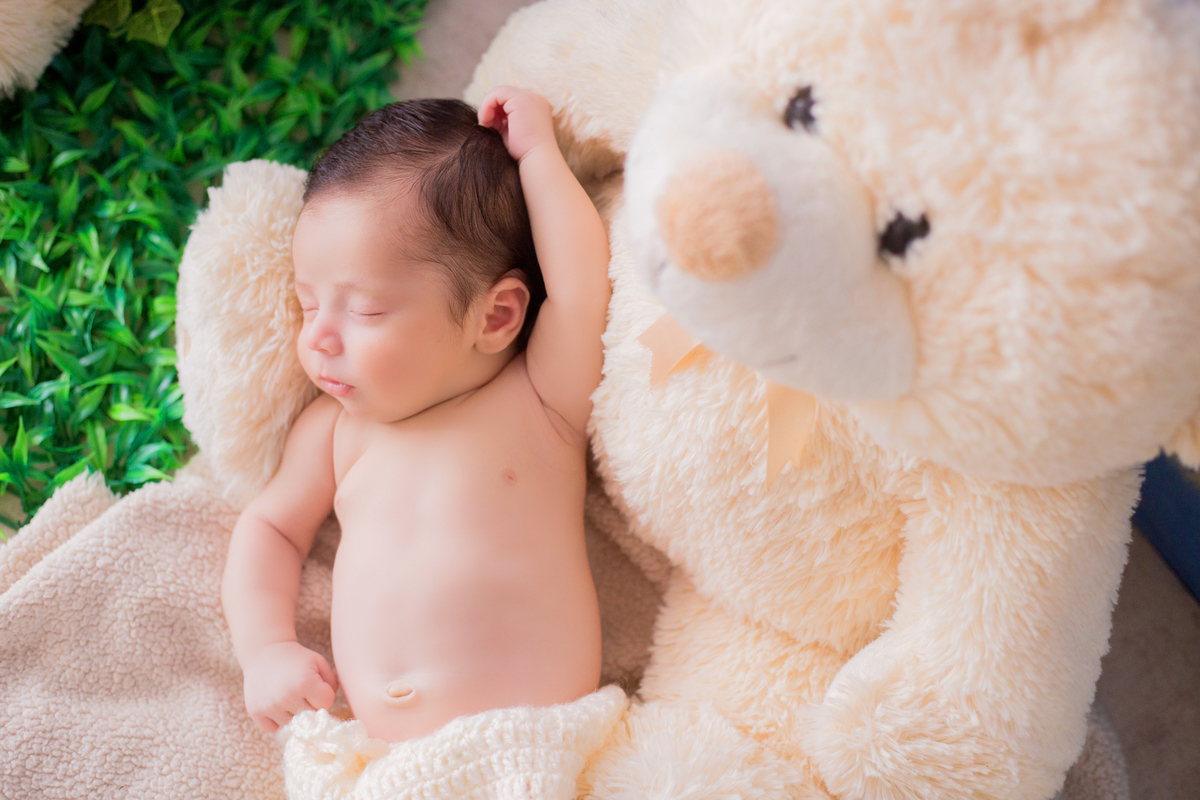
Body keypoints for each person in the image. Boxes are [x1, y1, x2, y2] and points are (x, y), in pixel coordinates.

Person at [220, 87, 609, 743]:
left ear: (495, 316)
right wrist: (265, 651)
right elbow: (269, 530)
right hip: (383, 763)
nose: (318, 336)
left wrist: (539, 154)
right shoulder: (336, 431)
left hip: (540, 746)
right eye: (308, 303)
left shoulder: (538, 399)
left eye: (364, 310)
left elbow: (579, 285)